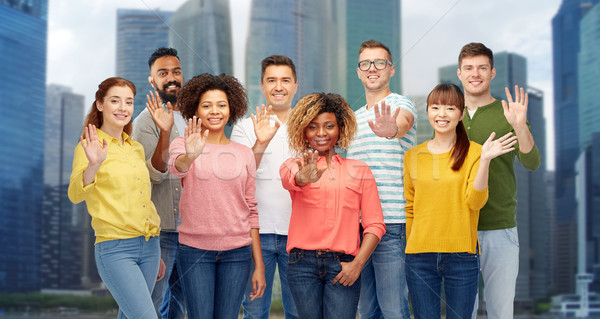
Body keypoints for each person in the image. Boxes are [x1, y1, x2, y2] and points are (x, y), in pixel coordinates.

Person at [403, 83, 517, 319]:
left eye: (450, 108)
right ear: (428, 111)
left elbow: (475, 202)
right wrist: (410, 249)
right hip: (419, 257)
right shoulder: (412, 156)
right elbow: (411, 209)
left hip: (461, 256)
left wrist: (485, 160)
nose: (441, 114)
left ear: (461, 113)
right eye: (435, 107)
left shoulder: (475, 152)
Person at [168, 73, 266, 319]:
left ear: (231, 109)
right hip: (194, 250)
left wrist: (260, 266)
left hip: (238, 252)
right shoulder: (183, 144)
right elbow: (176, 167)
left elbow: (251, 208)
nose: (215, 111)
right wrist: (191, 155)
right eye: (207, 105)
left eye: (221, 105)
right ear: (196, 110)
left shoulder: (244, 153)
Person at [279, 93, 386, 319]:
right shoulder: (294, 165)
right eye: (313, 127)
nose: (321, 133)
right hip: (302, 265)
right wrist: (303, 177)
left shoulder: (359, 170)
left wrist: (357, 265)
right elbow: (290, 178)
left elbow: (375, 225)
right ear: (303, 131)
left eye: (329, 126)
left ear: (340, 129)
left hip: (343, 265)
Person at [454, 43, 541, 319]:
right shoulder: (447, 115)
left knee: (500, 312)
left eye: (481, 68)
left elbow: (532, 162)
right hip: (458, 229)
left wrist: (519, 126)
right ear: (459, 73)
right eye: (469, 68)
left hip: (499, 228)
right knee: (461, 311)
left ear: (492, 72)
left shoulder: (507, 113)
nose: (475, 74)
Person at [68, 77, 165, 319]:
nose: (123, 108)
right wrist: (94, 165)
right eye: (115, 100)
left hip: (150, 246)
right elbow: (75, 195)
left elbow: (143, 199)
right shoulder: (89, 146)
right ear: (100, 104)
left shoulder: (135, 148)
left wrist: (155, 249)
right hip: (116, 248)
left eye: (129, 102)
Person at [345, 39, 417, 319]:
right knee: (367, 310)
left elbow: (404, 123)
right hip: (357, 226)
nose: (372, 68)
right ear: (359, 72)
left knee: (394, 309)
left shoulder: (400, 103)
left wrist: (391, 129)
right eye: (366, 63)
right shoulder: (351, 119)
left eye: (380, 63)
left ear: (391, 70)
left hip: (392, 223)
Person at [230, 55, 299, 319]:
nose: (278, 86)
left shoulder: (308, 128)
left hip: (299, 235)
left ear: (295, 85)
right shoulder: (245, 128)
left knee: (299, 312)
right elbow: (238, 176)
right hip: (254, 235)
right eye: (272, 80)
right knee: (255, 312)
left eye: (285, 80)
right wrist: (260, 143)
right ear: (262, 85)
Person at [131, 47, 186, 319]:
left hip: (191, 231)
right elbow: (155, 174)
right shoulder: (145, 122)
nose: (171, 78)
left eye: (176, 71)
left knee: (179, 306)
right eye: (163, 73)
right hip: (161, 231)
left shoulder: (192, 117)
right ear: (152, 81)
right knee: (150, 304)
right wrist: (164, 132)